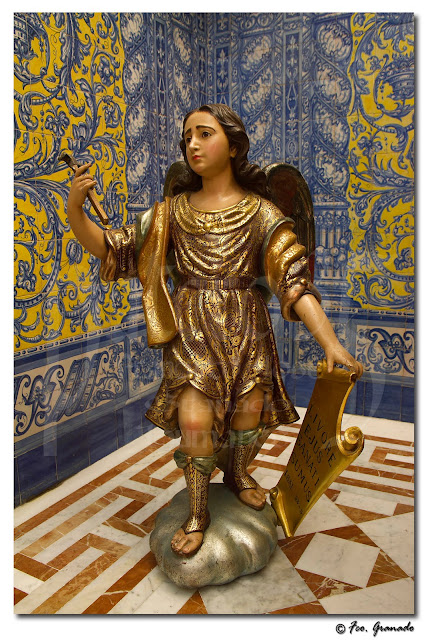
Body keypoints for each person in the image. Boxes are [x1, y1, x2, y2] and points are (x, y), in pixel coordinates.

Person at [67, 103, 363, 558]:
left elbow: (294, 282)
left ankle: (239, 474)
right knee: (194, 423)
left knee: (248, 415)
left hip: (247, 332)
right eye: (187, 136)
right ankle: (197, 511)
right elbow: (112, 248)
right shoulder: (170, 213)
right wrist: (75, 206)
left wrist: (331, 344)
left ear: (234, 145)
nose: (193, 143)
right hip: (191, 333)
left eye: (204, 133)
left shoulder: (262, 214)